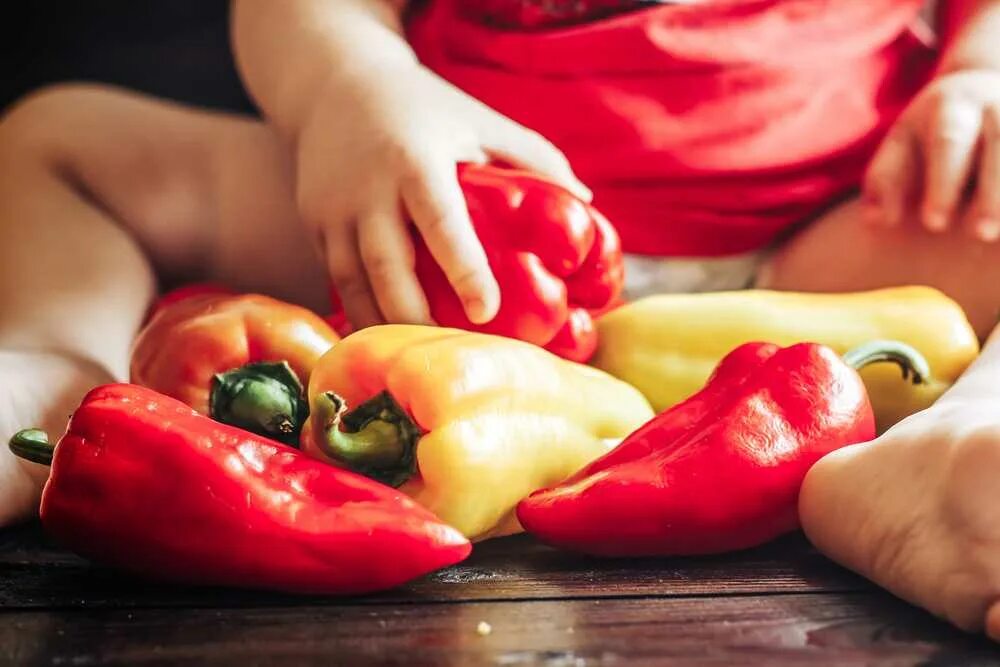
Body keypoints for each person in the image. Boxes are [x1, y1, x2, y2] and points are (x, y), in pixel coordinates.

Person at [1, 0, 1000, 638]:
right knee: (66, 140)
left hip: (822, 230)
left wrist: (977, 74)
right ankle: (51, 357)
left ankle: (954, 442)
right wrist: (355, 87)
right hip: (434, 227)